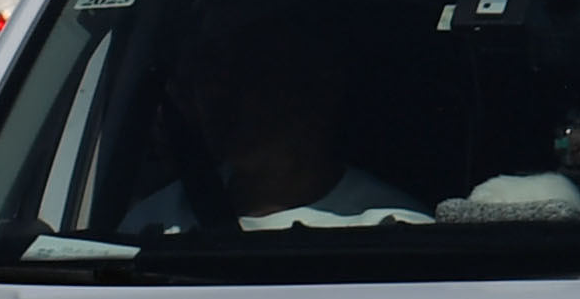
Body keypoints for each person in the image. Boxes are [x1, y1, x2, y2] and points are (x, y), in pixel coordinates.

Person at [121, 23, 427, 230]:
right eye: (212, 79)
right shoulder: (154, 225)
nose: (223, 99)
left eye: (251, 79)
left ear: (314, 93)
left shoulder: (392, 226)